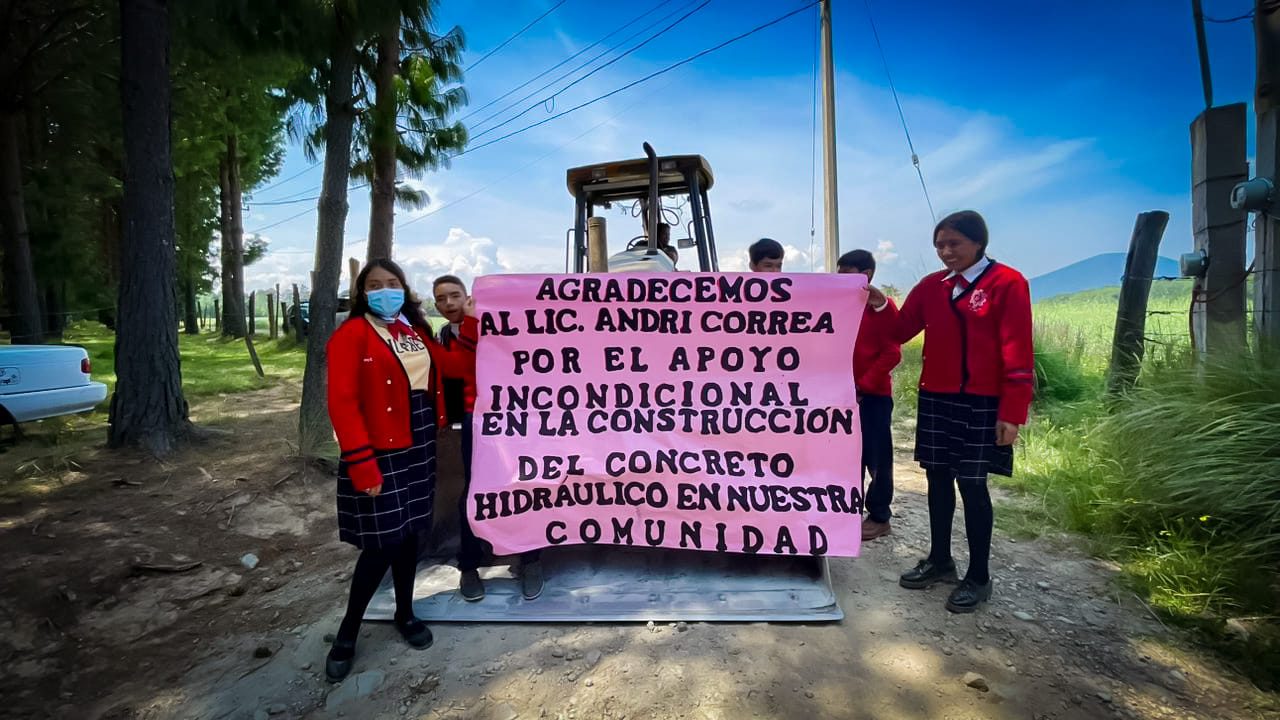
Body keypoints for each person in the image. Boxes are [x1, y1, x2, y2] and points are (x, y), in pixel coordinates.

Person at [867, 210, 1033, 613]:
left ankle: (979, 576)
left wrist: (1012, 412)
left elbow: (1017, 349)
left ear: (979, 242)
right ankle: (940, 560)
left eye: (954, 244)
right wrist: (879, 305)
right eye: (940, 245)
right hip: (937, 397)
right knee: (937, 480)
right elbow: (900, 329)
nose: (945, 252)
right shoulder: (932, 287)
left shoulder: (1007, 283)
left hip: (982, 401)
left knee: (973, 487)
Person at [324, 259, 479, 681]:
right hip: (379, 449)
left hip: (420, 440)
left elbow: (454, 369)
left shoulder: (414, 332)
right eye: (376, 285)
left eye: (392, 283)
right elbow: (342, 402)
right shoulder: (350, 335)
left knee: (411, 533)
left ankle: (405, 614)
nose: (385, 290)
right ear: (362, 292)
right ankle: (348, 632)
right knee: (381, 545)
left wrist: (473, 325)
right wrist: (361, 463)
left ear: (403, 288)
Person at [433, 275, 545, 602]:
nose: (449, 303)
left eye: (455, 296)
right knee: (475, 490)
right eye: (442, 299)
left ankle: (530, 558)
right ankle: (469, 564)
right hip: (476, 419)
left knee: (523, 483)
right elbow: (460, 369)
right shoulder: (445, 335)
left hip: (513, 417)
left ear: (468, 297)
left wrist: (473, 323)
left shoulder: (495, 324)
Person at [837, 249, 901, 542]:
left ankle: (879, 517)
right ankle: (846, 513)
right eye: (839, 275)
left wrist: (863, 386)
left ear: (867, 275)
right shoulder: (838, 306)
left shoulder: (881, 310)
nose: (841, 281)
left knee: (877, 459)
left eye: (847, 275)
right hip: (841, 397)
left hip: (872, 398)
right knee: (846, 458)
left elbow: (892, 352)